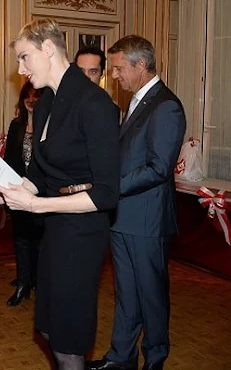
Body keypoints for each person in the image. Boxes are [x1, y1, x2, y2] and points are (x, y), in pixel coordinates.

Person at [0, 19, 120, 370]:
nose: (20, 70)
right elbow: (37, 174)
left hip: (83, 232)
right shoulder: (49, 100)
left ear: (48, 49)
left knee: (67, 341)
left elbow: (107, 194)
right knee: (48, 329)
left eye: (24, 58)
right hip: (57, 228)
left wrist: (36, 205)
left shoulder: (95, 103)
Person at [87, 36, 186, 370]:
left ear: (140, 65)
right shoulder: (138, 102)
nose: (114, 76)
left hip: (147, 221)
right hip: (124, 218)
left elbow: (159, 168)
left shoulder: (166, 105)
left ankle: (154, 360)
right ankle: (121, 358)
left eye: (118, 68)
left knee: (151, 297)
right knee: (127, 295)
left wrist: (110, 188)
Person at [3, 82, 44, 306]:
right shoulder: (15, 126)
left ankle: (37, 280)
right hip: (18, 191)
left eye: (36, 96)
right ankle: (22, 283)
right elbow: (9, 159)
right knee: (20, 238)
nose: (31, 100)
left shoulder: (49, 126)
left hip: (41, 193)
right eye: (27, 96)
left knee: (38, 239)